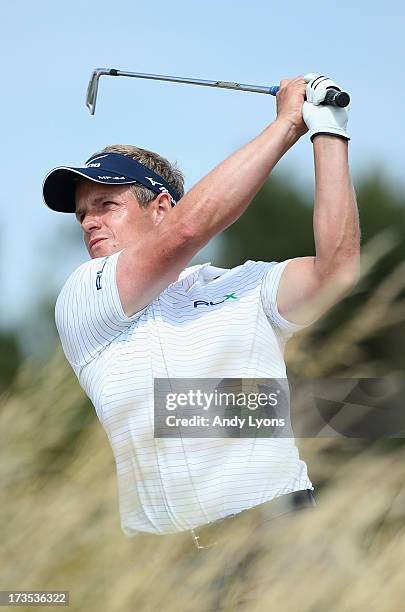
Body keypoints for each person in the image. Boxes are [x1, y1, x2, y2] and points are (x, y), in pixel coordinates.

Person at [42, 73, 360, 551]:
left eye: (107, 204)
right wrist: (286, 125)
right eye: (82, 212)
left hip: (286, 531)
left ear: (161, 206)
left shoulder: (242, 284)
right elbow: (188, 232)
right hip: (169, 556)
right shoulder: (85, 295)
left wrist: (328, 130)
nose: (89, 220)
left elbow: (337, 271)